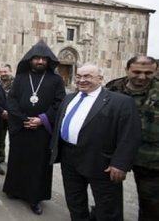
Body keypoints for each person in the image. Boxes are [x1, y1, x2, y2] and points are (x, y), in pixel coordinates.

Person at [50, 64, 141, 221]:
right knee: (75, 201)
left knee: (108, 207)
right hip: (69, 158)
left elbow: (130, 135)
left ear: (100, 79)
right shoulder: (69, 98)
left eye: (88, 77)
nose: (82, 80)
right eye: (79, 76)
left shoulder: (120, 102)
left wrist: (120, 164)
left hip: (102, 162)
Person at [3, 40, 66, 215]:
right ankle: (15, 190)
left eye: (44, 59)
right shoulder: (21, 78)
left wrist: (41, 119)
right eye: (36, 58)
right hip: (21, 128)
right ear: (30, 59)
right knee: (18, 160)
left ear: (48, 61)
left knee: (38, 165)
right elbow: (12, 100)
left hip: (42, 131)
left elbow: (60, 102)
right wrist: (22, 119)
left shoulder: (56, 80)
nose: (40, 61)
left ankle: (34, 197)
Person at [105, 56, 159, 221]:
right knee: (108, 199)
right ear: (127, 70)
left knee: (152, 206)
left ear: (156, 71)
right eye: (136, 72)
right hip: (114, 156)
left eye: (148, 73)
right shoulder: (113, 88)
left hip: (151, 161)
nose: (142, 77)